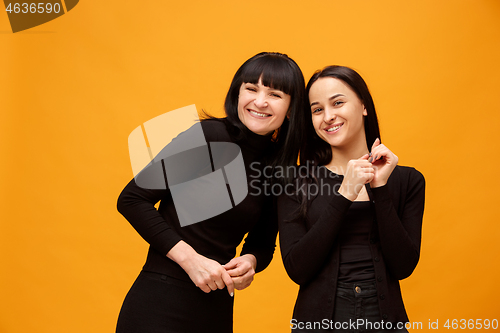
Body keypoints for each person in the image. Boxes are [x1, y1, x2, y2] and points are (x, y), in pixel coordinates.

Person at [115, 52, 306, 333]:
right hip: (160, 302)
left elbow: (263, 244)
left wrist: (250, 262)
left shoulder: (279, 166)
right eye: (251, 89)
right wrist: (190, 260)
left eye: (275, 94)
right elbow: (131, 198)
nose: (260, 101)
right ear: (237, 93)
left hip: (216, 307)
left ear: (291, 108)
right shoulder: (210, 136)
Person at [277, 66, 425, 332]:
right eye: (317, 109)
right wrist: (346, 192)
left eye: (338, 103)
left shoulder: (408, 180)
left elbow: (403, 266)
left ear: (364, 105)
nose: (328, 116)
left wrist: (379, 187)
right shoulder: (294, 181)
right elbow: (298, 269)